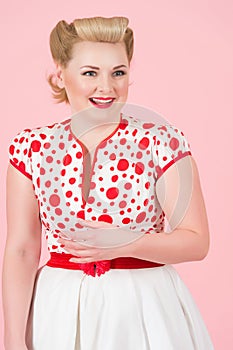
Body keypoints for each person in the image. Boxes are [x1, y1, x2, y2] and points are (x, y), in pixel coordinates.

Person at [2, 16, 214, 350]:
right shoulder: (32, 148)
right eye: (90, 73)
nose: (107, 87)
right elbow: (22, 248)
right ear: (60, 74)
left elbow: (197, 241)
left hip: (144, 306)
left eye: (119, 72)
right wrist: (12, 337)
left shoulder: (161, 142)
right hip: (57, 308)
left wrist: (128, 243)